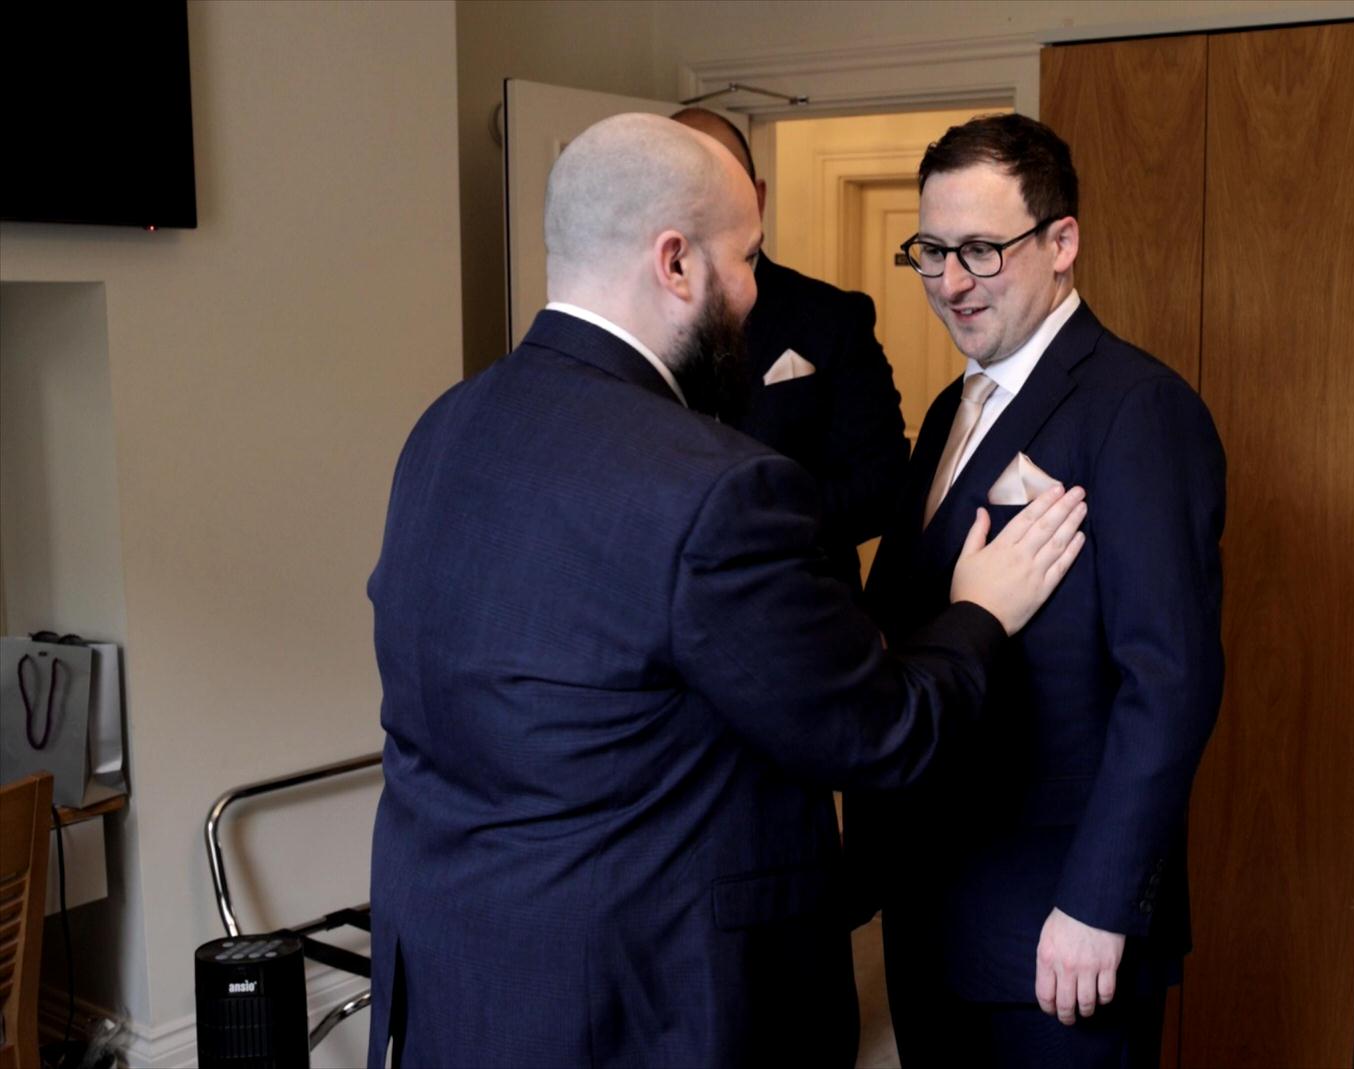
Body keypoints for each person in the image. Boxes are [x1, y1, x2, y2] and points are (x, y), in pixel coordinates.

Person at [364, 112, 1087, 1069]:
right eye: (746, 258)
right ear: (676, 263)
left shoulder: (443, 429)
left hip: (454, 977)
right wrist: (980, 613)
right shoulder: (714, 489)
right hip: (639, 1003)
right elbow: (879, 733)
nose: (753, 293)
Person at [848, 114, 1227, 1068]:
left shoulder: (1139, 408)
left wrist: (1100, 903)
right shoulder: (952, 407)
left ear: (1062, 243)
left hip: (1059, 931)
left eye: (982, 249)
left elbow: (1170, 681)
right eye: (932, 251)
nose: (952, 281)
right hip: (932, 908)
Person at [669, 106, 908, 591]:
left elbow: (882, 482)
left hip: (805, 597)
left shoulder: (832, 317)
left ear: (756, 196)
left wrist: (756, 523)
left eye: (717, 185)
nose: (698, 207)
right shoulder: (636, 319)